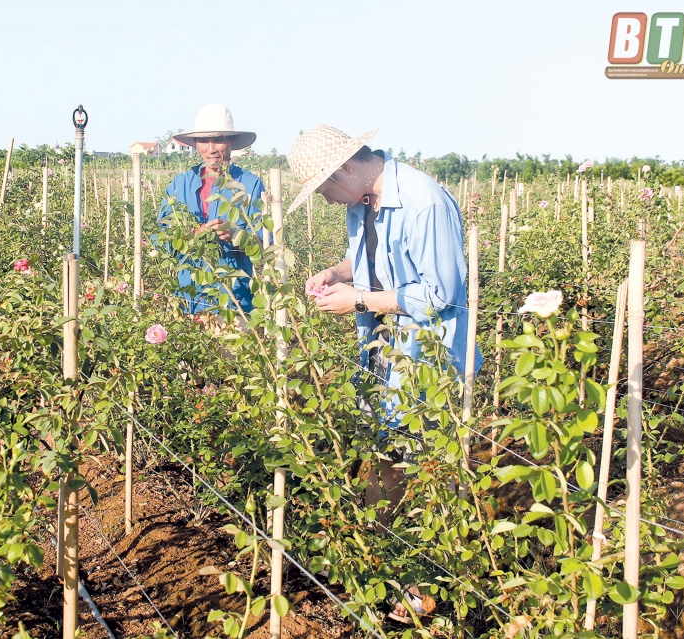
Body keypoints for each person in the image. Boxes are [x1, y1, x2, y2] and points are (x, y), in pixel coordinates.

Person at [287, 124, 482, 623]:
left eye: (324, 188)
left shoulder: (423, 202)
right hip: (381, 354)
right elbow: (371, 261)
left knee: (427, 469)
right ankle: (382, 564)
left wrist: (359, 300)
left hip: (428, 362)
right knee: (382, 458)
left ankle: (425, 588)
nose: (326, 200)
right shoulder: (363, 203)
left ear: (346, 168)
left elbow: (441, 295)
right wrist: (338, 274)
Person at [158, 104, 263, 315]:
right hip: (188, 300)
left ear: (232, 141)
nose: (211, 149)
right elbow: (160, 241)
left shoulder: (250, 185)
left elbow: (264, 247)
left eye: (218, 140)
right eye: (204, 141)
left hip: (234, 302)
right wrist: (190, 236)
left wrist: (237, 236)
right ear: (196, 143)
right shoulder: (180, 185)